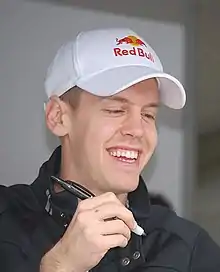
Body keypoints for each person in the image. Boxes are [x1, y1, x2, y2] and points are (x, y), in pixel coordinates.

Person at [0, 27, 219, 272]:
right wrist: (60, 266)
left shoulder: (189, 250)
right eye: (116, 110)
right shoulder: (5, 222)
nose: (137, 130)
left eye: (148, 114)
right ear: (58, 117)